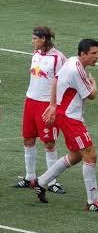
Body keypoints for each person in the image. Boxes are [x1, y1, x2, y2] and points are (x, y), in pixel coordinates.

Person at [30, 38, 98, 212]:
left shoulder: (70, 61)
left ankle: (41, 182)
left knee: (76, 155)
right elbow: (91, 95)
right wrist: (94, 84)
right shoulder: (77, 70)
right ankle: (92, 202)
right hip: (70, 118)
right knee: (91, 155)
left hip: (65, 115)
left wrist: (53, 105)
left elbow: (55, 80)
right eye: (93, 54)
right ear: (83, 54)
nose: (97, 57)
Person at [14, 26, 66, 194]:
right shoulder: (35, 54)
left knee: (49, 143)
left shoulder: (58, 58)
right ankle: (30, 177)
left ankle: (52, 181)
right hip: (30, 102)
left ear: (43, 39)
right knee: (28, 140)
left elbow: (63, 83)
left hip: (46, 105)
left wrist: (55, 107)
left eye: (35, 39)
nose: (32, 41)